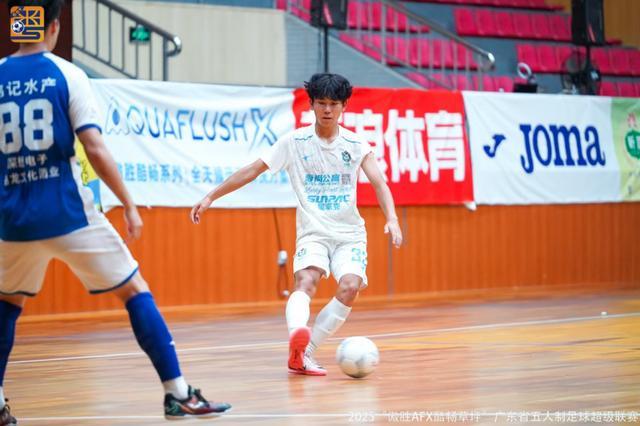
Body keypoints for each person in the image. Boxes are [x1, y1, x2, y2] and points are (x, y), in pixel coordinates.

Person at [0, 1, 231, 423]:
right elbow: (94, 146)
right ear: (54, 26)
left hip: (13, 220)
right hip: (68, 213)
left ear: (17, 24)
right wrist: (128, 203)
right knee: (135, 290)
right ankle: (177, 393)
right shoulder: (67, 75)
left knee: (7, 303)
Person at [191, 73, 403, 376]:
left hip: (349, 234)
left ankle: (305, 353)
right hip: (313, 232)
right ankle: (297, 339)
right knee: (306, 281)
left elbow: (379, 182)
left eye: (334, 104)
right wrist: (211, 196)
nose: (327, 110)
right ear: (311, 104)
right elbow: (252, 170)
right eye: (321, 103)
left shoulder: (356, 144)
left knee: (350, 287)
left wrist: (392, 218)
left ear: (344, 106)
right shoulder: (293, 142)